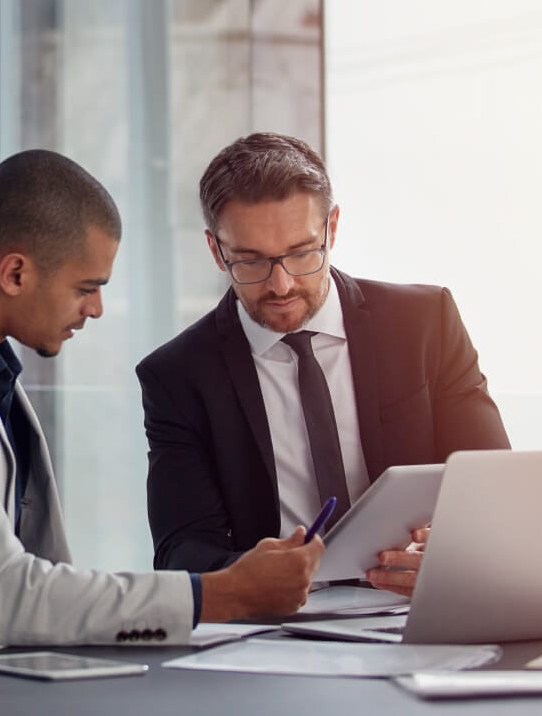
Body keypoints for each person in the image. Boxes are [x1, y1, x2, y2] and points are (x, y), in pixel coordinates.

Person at [0, 149, 322, 675]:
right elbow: (5, 594)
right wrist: (221, 594)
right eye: (86, 288)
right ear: (15, 273)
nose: (95, 309)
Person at [137, 133, 509, 595]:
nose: (281, 284)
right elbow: (181, 550)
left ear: (332, 227)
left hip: (423, 606)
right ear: (216, 251)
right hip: (279, 626)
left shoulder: (424, 322)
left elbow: (498, 492)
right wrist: (251, 575)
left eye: (301, 252)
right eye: (250, 261)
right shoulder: (177, 376)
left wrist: (453, 554)